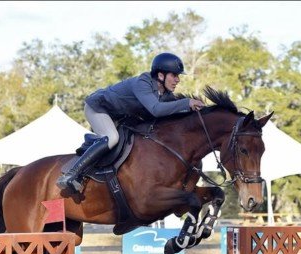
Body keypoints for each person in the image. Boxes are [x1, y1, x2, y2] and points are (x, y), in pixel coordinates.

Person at [56, 52, 206, 193]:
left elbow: (171, 112)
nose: (177, 80)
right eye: (174, 75)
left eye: (178, 76)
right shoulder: (143, 82)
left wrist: (195, 112)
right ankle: (71, 174)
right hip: (98, 108)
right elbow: (156, 110)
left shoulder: (165, 94)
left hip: (118, 116)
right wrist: (187, 102)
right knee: (112, 137)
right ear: (161, 75)